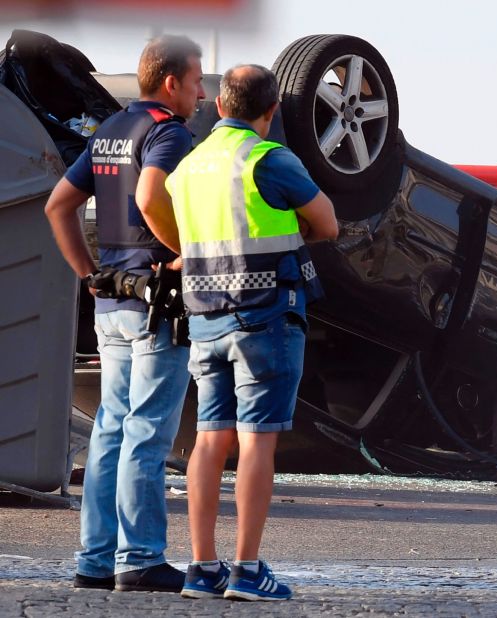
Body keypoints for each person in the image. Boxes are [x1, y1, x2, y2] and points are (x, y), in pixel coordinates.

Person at [166, 64, 337, 601]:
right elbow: (328, 224)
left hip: (205, 319)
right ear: (272, 112)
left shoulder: (189, 168)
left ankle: (201, 568)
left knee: (209, 439)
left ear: (219, 106)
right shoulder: (268, 158)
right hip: (264, 317)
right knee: (257, 442)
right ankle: (247, 569)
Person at [44, 35, 205, 591]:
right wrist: (186, 252)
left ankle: (95, 558)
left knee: (110, 429)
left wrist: (88, 274)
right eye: (197, 80)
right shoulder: (168, 131)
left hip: (111, 299)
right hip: (157, 304)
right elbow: (150, 195)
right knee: (147, 432)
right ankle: (138, 558)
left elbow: (58, 205)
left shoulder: (110, 130)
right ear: (170, 83)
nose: (202, 92)